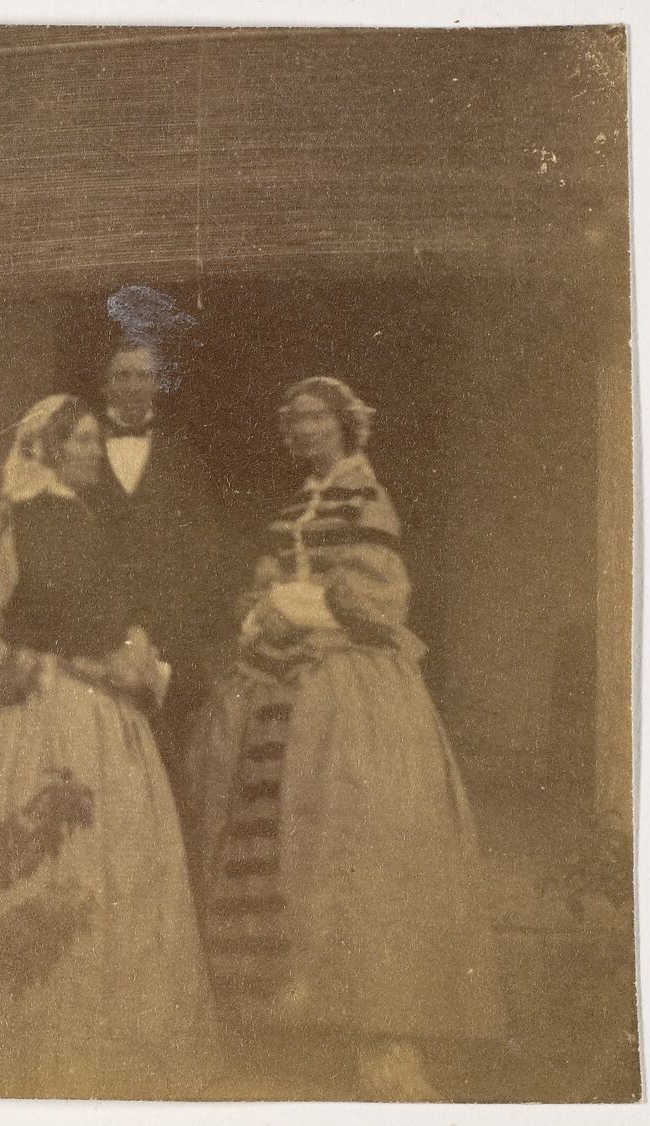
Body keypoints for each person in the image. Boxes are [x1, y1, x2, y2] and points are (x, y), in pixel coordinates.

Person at [186, 376, 504, 1100]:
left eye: (316, 419)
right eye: (294, 420)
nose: (303, 431)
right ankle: (282, 1013)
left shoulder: (367, 496)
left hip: (348, 683)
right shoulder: (298, 501)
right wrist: (264, 608)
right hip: (279, 682)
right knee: (284, 840)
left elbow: (382, 598)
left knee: (352, 837)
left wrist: (303, 606)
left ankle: (378, 1030)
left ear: (344, 425)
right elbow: (267, 583)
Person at [0, 393, 217, 1099]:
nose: (91, 453)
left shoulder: (46, 512)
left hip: (32, 674)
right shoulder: (53, 514)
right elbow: (60, 612)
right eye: (79, 442)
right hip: (59, 689)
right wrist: (129, 664)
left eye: (93, 442)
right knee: (73, 842)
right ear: (49, 450)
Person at [87, 339, 223, 804]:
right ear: (106, 384)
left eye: (143, 374)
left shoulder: (181, 455)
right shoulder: (82, 450)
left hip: (170, 616)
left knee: (173, 734)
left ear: (157, 384)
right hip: (101, 613)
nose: (133, 384)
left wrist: (181, 602)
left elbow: (203, 539)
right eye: (122, 374)